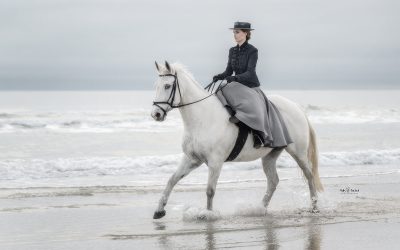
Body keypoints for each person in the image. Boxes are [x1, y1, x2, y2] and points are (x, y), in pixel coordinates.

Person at [213, 21, 293, 149]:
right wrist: (219, 76)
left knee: (232, 89)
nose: (235, 34)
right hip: (236, 85)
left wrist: (235, 77)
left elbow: (250, 72)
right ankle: (231, 112)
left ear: (246, 33)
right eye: (234, 32)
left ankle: (259, 135)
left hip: (250, 85)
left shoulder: (252, 51)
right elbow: (228, 71)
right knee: (219, 89)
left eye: (237, 32)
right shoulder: (232, 50)